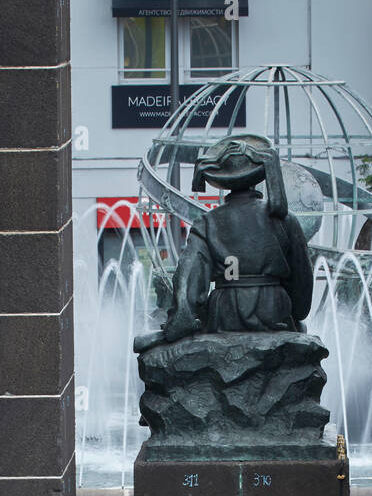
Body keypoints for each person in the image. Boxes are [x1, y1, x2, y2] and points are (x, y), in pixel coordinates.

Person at [134, 134, 314, 351]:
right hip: (273, 310)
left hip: (224, 314)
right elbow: (303, 278)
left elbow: (190, 275)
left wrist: (182, 317)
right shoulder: (286, 219)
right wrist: (296, 313)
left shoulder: (207, 222)